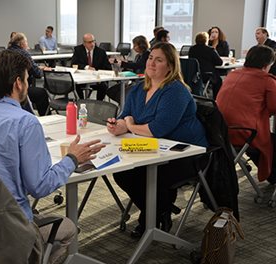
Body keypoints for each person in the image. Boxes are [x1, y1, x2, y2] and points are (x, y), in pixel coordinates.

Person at [0, 49, 105, 263]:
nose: (28, 84)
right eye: (27, 79)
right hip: (8, 227)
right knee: (68, 229)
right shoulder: (26, 122)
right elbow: (40, 187)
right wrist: (72, 159)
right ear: (18, 83)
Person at [107, 42, 207, 238]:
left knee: (152, 176)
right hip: (152, 149)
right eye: (151, 58)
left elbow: (157, 129)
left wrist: (130, 126)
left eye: (159, 60)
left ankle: (151, 216)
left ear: (170, 66)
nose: (151, 63)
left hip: (186, 154)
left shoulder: (175, 91)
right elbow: (124, 116)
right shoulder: (138, 89)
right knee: (123, 173)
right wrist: (117, 125)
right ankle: (160, 210)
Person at [217, 45, 276, 184]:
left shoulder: (233, 73)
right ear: (266, 64)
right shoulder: (266, 80)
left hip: (219, 131)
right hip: (243, 133)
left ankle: (270, 175)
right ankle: (272, 177)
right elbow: (274, 107)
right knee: (270, 141)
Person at [8, 32, 50, 116]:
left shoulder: (7, 52)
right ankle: (45, 118)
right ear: (21, 43)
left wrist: (37, 66)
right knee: (42, 93)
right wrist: (43, 70)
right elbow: (37, 73)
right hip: (19, 89)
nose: (27, 44)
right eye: (26, 42)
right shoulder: (23, 53)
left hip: (6, 89)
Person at [107, 35, 150, 103]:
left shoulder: (147, 55)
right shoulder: (138, 55)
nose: (133, 48)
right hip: (135, 79)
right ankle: (124, 105)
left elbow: (138, 65)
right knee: (111, 91)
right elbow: (135, 65)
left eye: (135, 45)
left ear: (141, 45)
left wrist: (123, 63)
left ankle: (125, 106)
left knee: (119, 94)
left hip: (140, 81)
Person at [71, 33, 112, 100]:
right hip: (82, 78)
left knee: (104, 86)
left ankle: (99, 103)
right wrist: (86, 67)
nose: (92, 44)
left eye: (93, 41)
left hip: (97, 79)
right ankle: (82, 101)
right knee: (75, 85)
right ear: (84, 43)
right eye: (89, 42)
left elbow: (108, 68)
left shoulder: (101, 52)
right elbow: (74, 64)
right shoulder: (78, 50)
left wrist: (99, 73)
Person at [188, 32, 223, 99]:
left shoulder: (192, 49)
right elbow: (220, 62)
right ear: (206, 40)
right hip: (206, 75)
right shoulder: (210, 49)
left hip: (194, 75)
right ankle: (216, 99)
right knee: (219, 80)